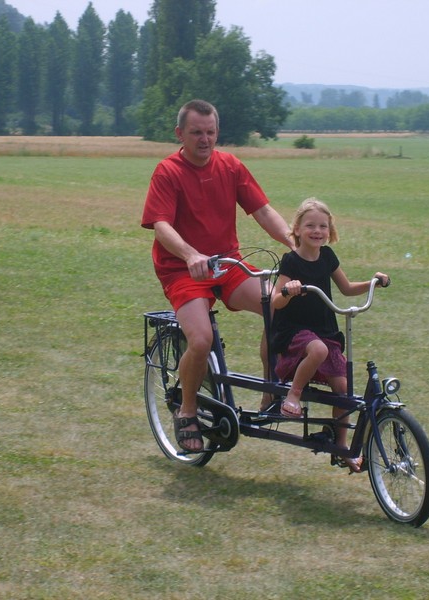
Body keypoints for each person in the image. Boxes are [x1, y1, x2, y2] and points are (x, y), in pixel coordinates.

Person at [141, 99, 295, 453]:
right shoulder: (168, 172)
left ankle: (270, 393)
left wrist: (293, 242)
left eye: (210, 132)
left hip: (228, 265)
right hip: (183, 270)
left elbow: (263, 211)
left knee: (279, 307)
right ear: (180, 134)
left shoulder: (230, 166)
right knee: (201, 340)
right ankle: (187, 410)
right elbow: (161, 225)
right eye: (196, 132)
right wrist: (190, 254)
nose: (205, 139)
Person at [270, 197, 390, 472]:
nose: (317, 231)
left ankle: (342, 446)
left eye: (323, 226)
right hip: (295, 332)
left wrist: (372, 282)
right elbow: (276, 300)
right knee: (319, 350)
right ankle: (293, 395)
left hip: (324, 329)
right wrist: (289, 291)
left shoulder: (327, 257)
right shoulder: (291, 261)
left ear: (330, 230)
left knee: (344, 390)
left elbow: (346, 288)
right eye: (310, 225)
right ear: (297, 229)